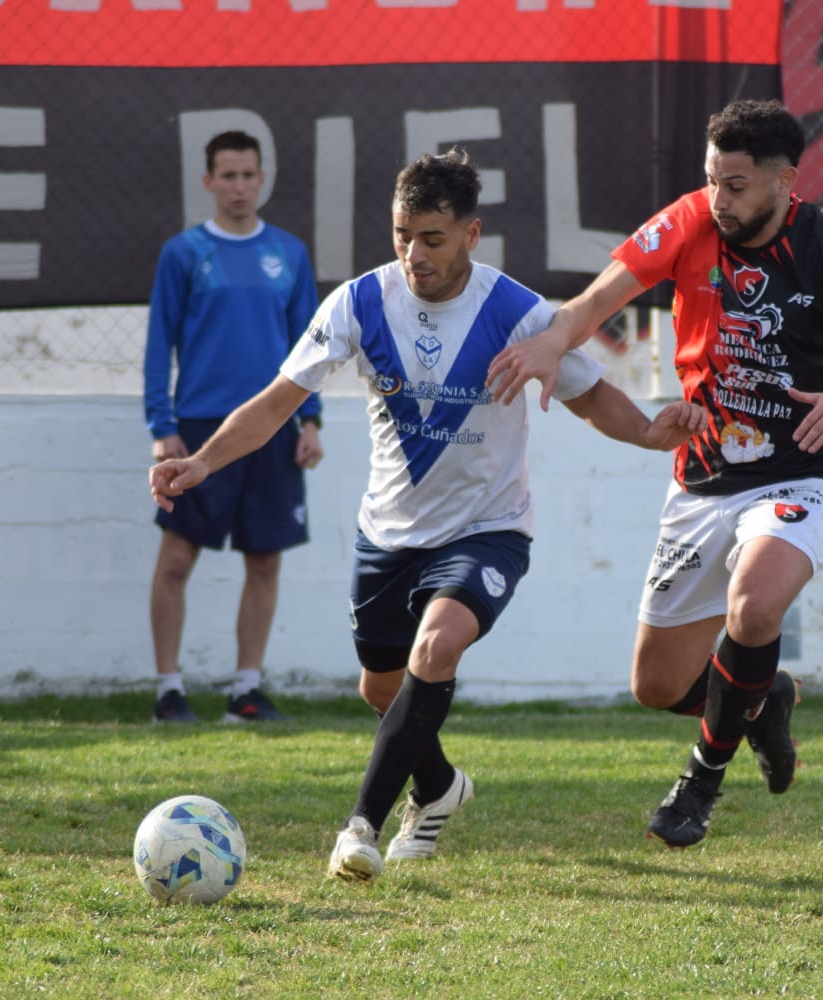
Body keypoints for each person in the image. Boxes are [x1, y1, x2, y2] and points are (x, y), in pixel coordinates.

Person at [150, 148, 703, 882]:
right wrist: (202, 461)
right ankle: (439, 787)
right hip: (388, 533)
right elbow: (278, 401)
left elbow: (591, 393)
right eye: (402, 235)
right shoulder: (359, 302)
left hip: (487, 530)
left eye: (432, 238)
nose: (414, 254)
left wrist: (646, 431)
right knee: (382, 690)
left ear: (472, 234)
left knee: (434, 651)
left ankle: (360, 828)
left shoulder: (516, 312)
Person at [485, 99, 823, 848]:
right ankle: (764, 700)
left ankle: (700, 782)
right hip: (702, 475)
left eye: (738, 186)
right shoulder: (689, 220)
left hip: (800, 472)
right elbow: (595, 301)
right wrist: (555, 343)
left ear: (788, 183)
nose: (719, 200)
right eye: (714, 181)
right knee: (656, 685)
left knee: (753, 610)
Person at [143, 130, 323, 724]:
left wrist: (311, 421)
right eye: (228, 175)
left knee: (265, 560)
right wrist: (162, 425)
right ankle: (169, 690)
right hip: (198, 428)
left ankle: (246, 690)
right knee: (176, 560)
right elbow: (157, 345)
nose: (240, 186)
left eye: (249, 174)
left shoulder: (290, 253)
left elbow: (308, 348)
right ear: (208, 181)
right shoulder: (182, 252)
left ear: (261, 178)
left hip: (273, 429)